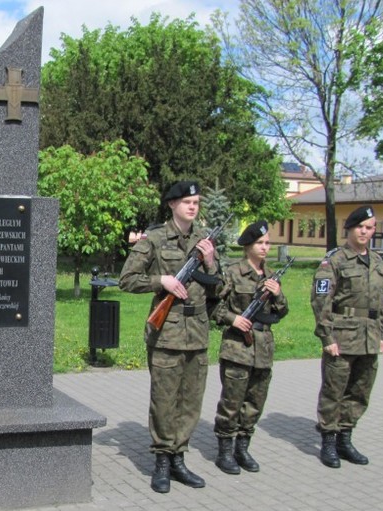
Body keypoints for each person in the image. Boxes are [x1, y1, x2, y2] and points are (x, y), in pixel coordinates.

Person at [119, 180, 221, 493]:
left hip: (198, 335)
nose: (193, 207)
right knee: (164, 402)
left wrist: (211, 261)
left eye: (197, 202)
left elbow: (219, 286)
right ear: (172, 204)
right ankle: (162, 460)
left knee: (190, 402)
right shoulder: (154, 238)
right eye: (187, 202)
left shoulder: (204, 240)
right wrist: (160, 280)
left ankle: (179, 457)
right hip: (166, 335)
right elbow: (127, 280)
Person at [310, 205, 383, 468]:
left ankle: (346, 437)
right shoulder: (334, 260)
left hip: (369, 338)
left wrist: (381, 333)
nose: (365, 232)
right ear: (350, 228)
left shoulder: (377, 261)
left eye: (370, 227)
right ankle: (329, 442)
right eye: (360, 227)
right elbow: (321, 302)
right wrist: (326, 337)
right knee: (334, 391)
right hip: (341, 338)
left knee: (360, 391)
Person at [212, 221, 289, 474]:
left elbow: (282, 311)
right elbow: (214, 306)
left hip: (263, 347)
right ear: (248, 246)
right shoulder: (233, 273)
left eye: (267, 243)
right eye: (260, 243)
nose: (265, 247)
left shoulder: (271, 276)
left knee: (255, 401)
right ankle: (225, 451)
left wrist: (277, 294)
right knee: (232, 401)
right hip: (237, 348)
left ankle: (242, 448)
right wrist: (233, 319)